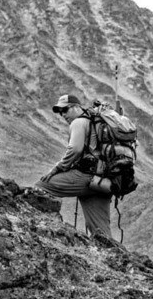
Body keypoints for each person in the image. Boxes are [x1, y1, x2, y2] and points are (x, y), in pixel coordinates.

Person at [36, 94, 112, 238]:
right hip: (103, 182)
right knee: (102, 233)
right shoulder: (96, 121)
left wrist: (57, 169)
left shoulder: (78, 122)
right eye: (60, 112)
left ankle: (41, 232)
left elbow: (75, 149)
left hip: (87, 177)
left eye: (65, 110)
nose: (62, 114)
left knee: (40, 187)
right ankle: (115, 258)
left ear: (76, 107)